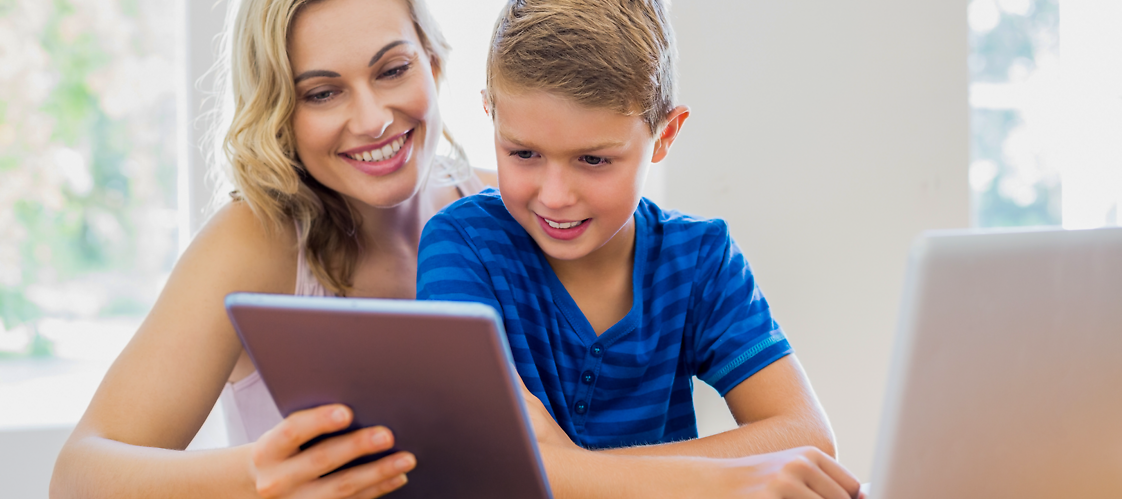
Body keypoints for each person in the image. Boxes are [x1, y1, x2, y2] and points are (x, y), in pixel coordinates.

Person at [416, 0, 865, 497]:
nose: (556, 195)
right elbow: (483, 462)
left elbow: (809, 439)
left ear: (664, 135)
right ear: (491, 114)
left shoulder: (700, 258)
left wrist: (563, 467)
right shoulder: (462, 245)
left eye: (593, 159)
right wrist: (724, 476)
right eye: (524, 154)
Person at [51, 0, 495, 497]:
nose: (372, 121)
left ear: (432, 63)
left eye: (393, 70)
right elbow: (76, 477)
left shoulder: (517, 210)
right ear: (279, 109)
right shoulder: (255, 242)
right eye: (323, 93)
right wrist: (255, 476)